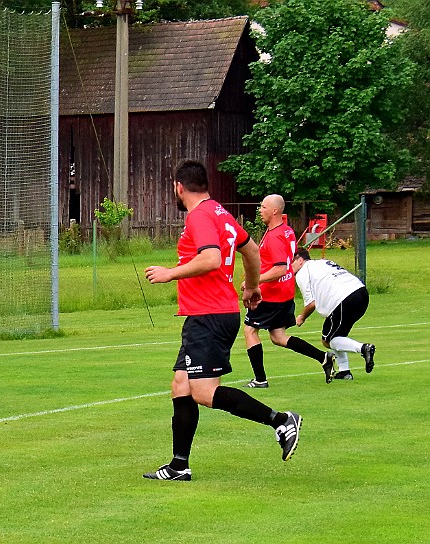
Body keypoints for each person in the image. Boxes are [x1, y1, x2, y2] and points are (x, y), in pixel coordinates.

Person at [142, 159, 302, 481]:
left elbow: (212, 258)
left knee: (203, 391)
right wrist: (253, 286)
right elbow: (252, 251)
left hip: (209, 315)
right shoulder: (220, 212)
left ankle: (281, 420)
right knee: (181, 384)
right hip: (213, 312)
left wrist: (170, 273)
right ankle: (179, 465)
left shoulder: (200, 215)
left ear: (179, 187)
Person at [243, 194, 336, 387]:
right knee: (278, 337)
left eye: (264, 207)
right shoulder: (286, 231)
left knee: (250, 330)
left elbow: (279, 269)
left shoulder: (276, 236)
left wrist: (253, 282)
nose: (260, 211)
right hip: (285, 292)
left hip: (271, 294)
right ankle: (323, 358)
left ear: (275, 210)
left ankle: (260, 379)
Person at [292, 247, 376, 380]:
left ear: (300, 260)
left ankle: (363, 348)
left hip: (344, 299)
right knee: (336, 336)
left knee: (328, 340)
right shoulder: (323, 262)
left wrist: (301, 317)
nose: (289, 266)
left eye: (291, 261)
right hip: (361, 293)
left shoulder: (303, 272)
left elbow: (311, 304)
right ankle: (344, 371)